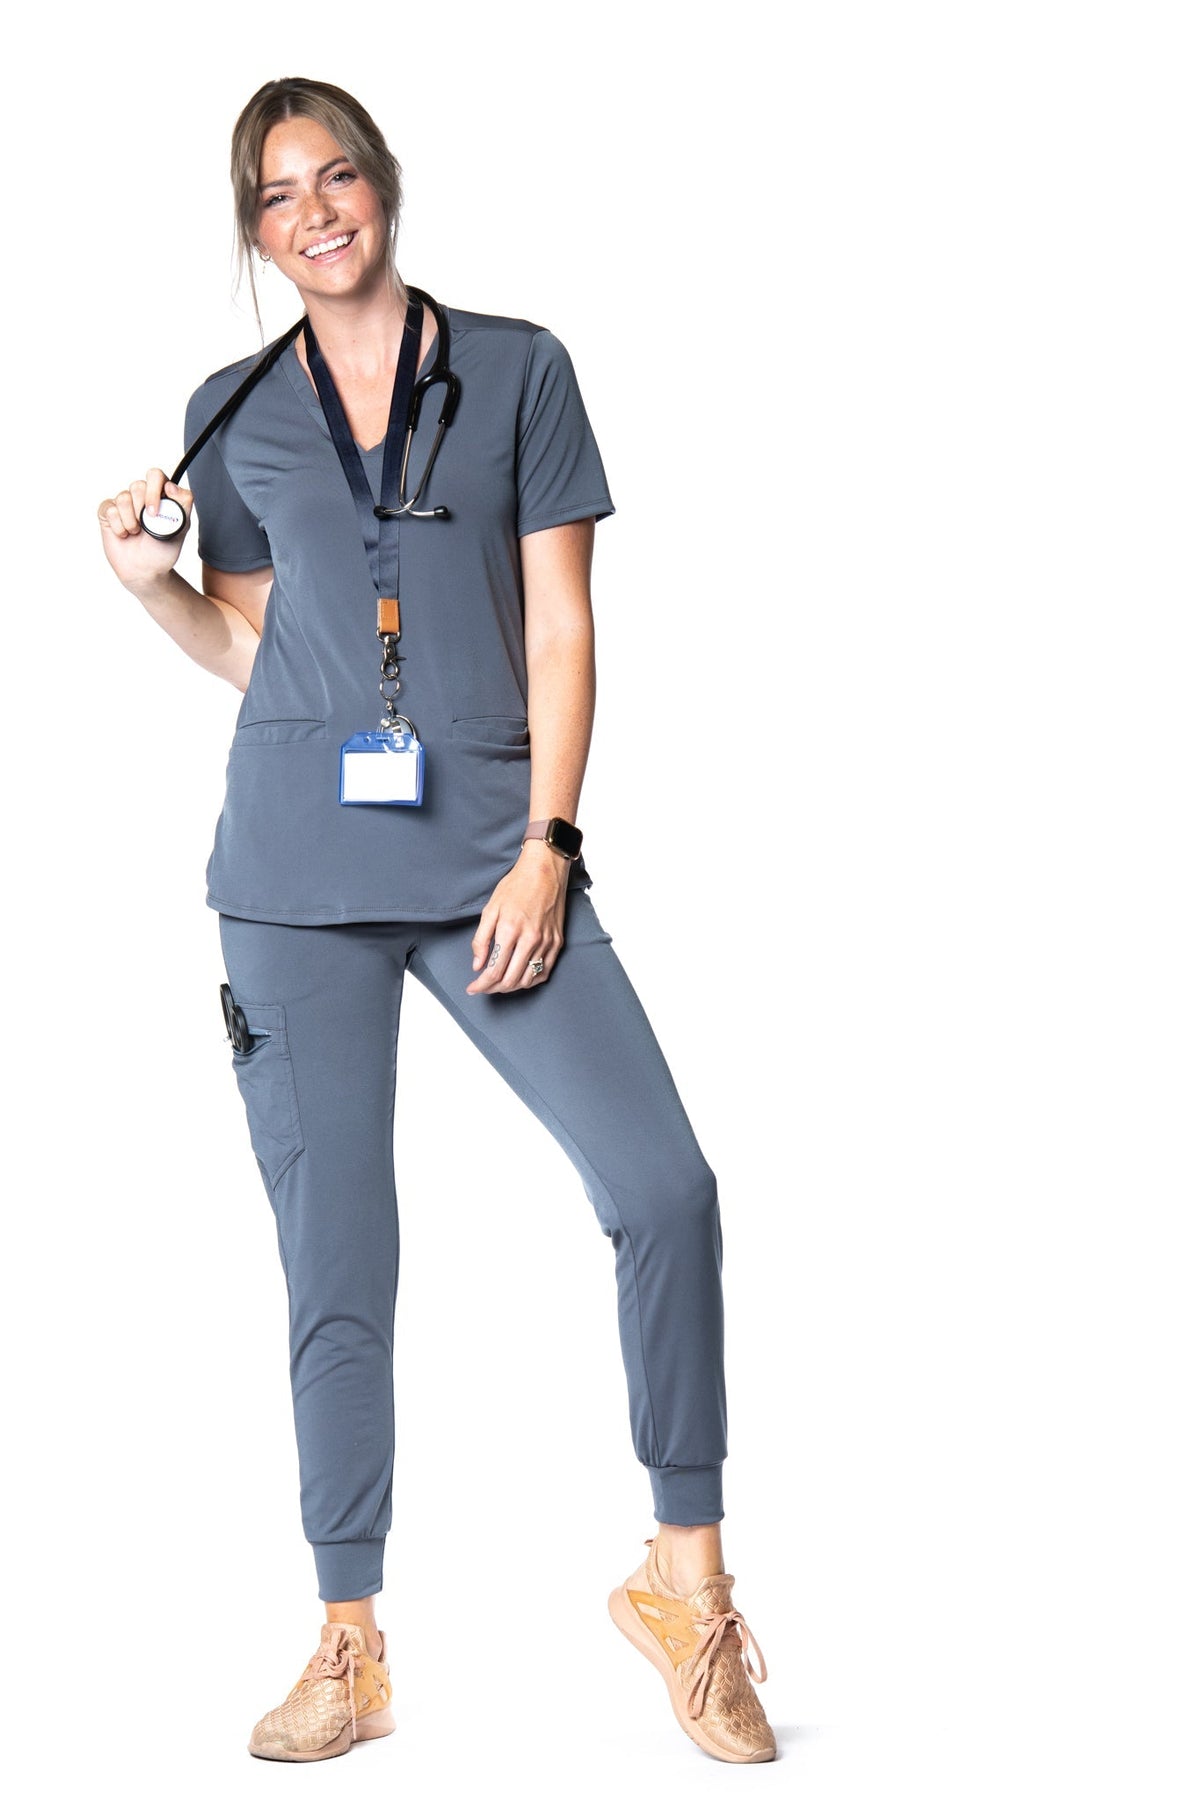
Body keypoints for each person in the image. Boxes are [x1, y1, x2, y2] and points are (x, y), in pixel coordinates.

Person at [97, 76, 774, 1767]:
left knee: (666, 1191)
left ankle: (686, 1588)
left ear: (383, 186)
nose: (315, 213)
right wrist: (154, 591)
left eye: (336, 178)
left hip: (490, 862)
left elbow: (561, 627)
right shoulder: (231, 412)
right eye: (278, 196)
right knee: (340, 1262)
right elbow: (268, 654)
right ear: (254, 231)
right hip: (292, 888)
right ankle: (350, 1645)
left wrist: (550, 843)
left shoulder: (522, 371)